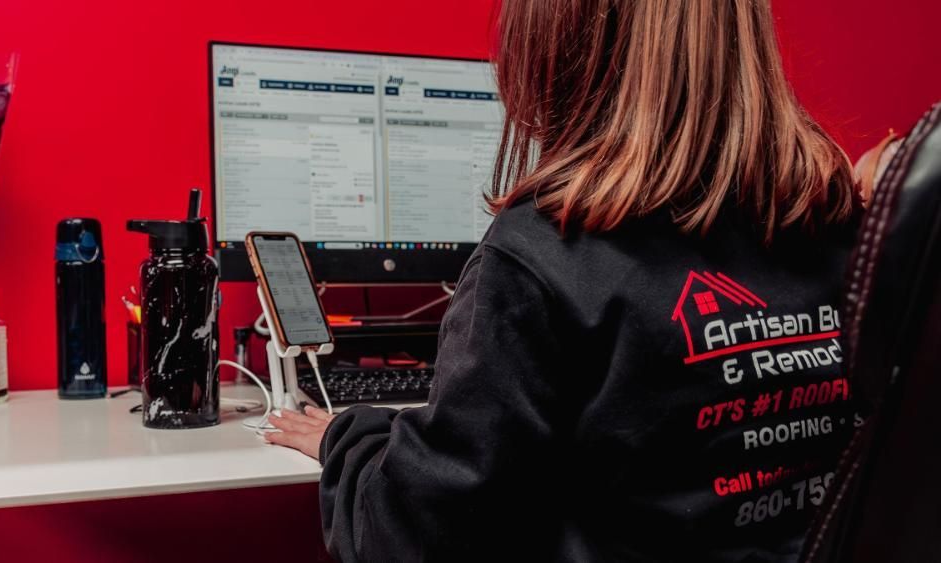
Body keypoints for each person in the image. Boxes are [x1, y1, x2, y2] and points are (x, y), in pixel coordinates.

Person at [267, 1, 861, 561]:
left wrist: (349, 437)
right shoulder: (832, 220)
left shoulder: (548, 253)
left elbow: (414, 537)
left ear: (558, 36)